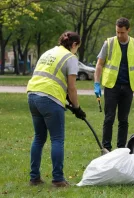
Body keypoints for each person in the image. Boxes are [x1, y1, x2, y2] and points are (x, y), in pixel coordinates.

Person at [27, 31, 86, 187]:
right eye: (77, 47)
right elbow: (72, 87)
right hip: (49, 98)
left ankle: (34, 178)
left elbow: (50, 77)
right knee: (57, 139)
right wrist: (77, 108)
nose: (76, 50)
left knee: (39, 138)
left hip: (32, 95)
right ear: (74, 45)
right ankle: (58, 179)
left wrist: (67, 99)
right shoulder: (71, 58)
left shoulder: (48, 52)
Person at [94, 17, 134, 151]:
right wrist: (96, 83)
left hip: (128, 86)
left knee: (123, 120)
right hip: (112, 86)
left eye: (122, 32)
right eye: (117, 32)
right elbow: (99, 64)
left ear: (128, 30)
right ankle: (106, 148)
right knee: (109, 118)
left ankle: (121, 149)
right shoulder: (109, 43)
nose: (119, 35)